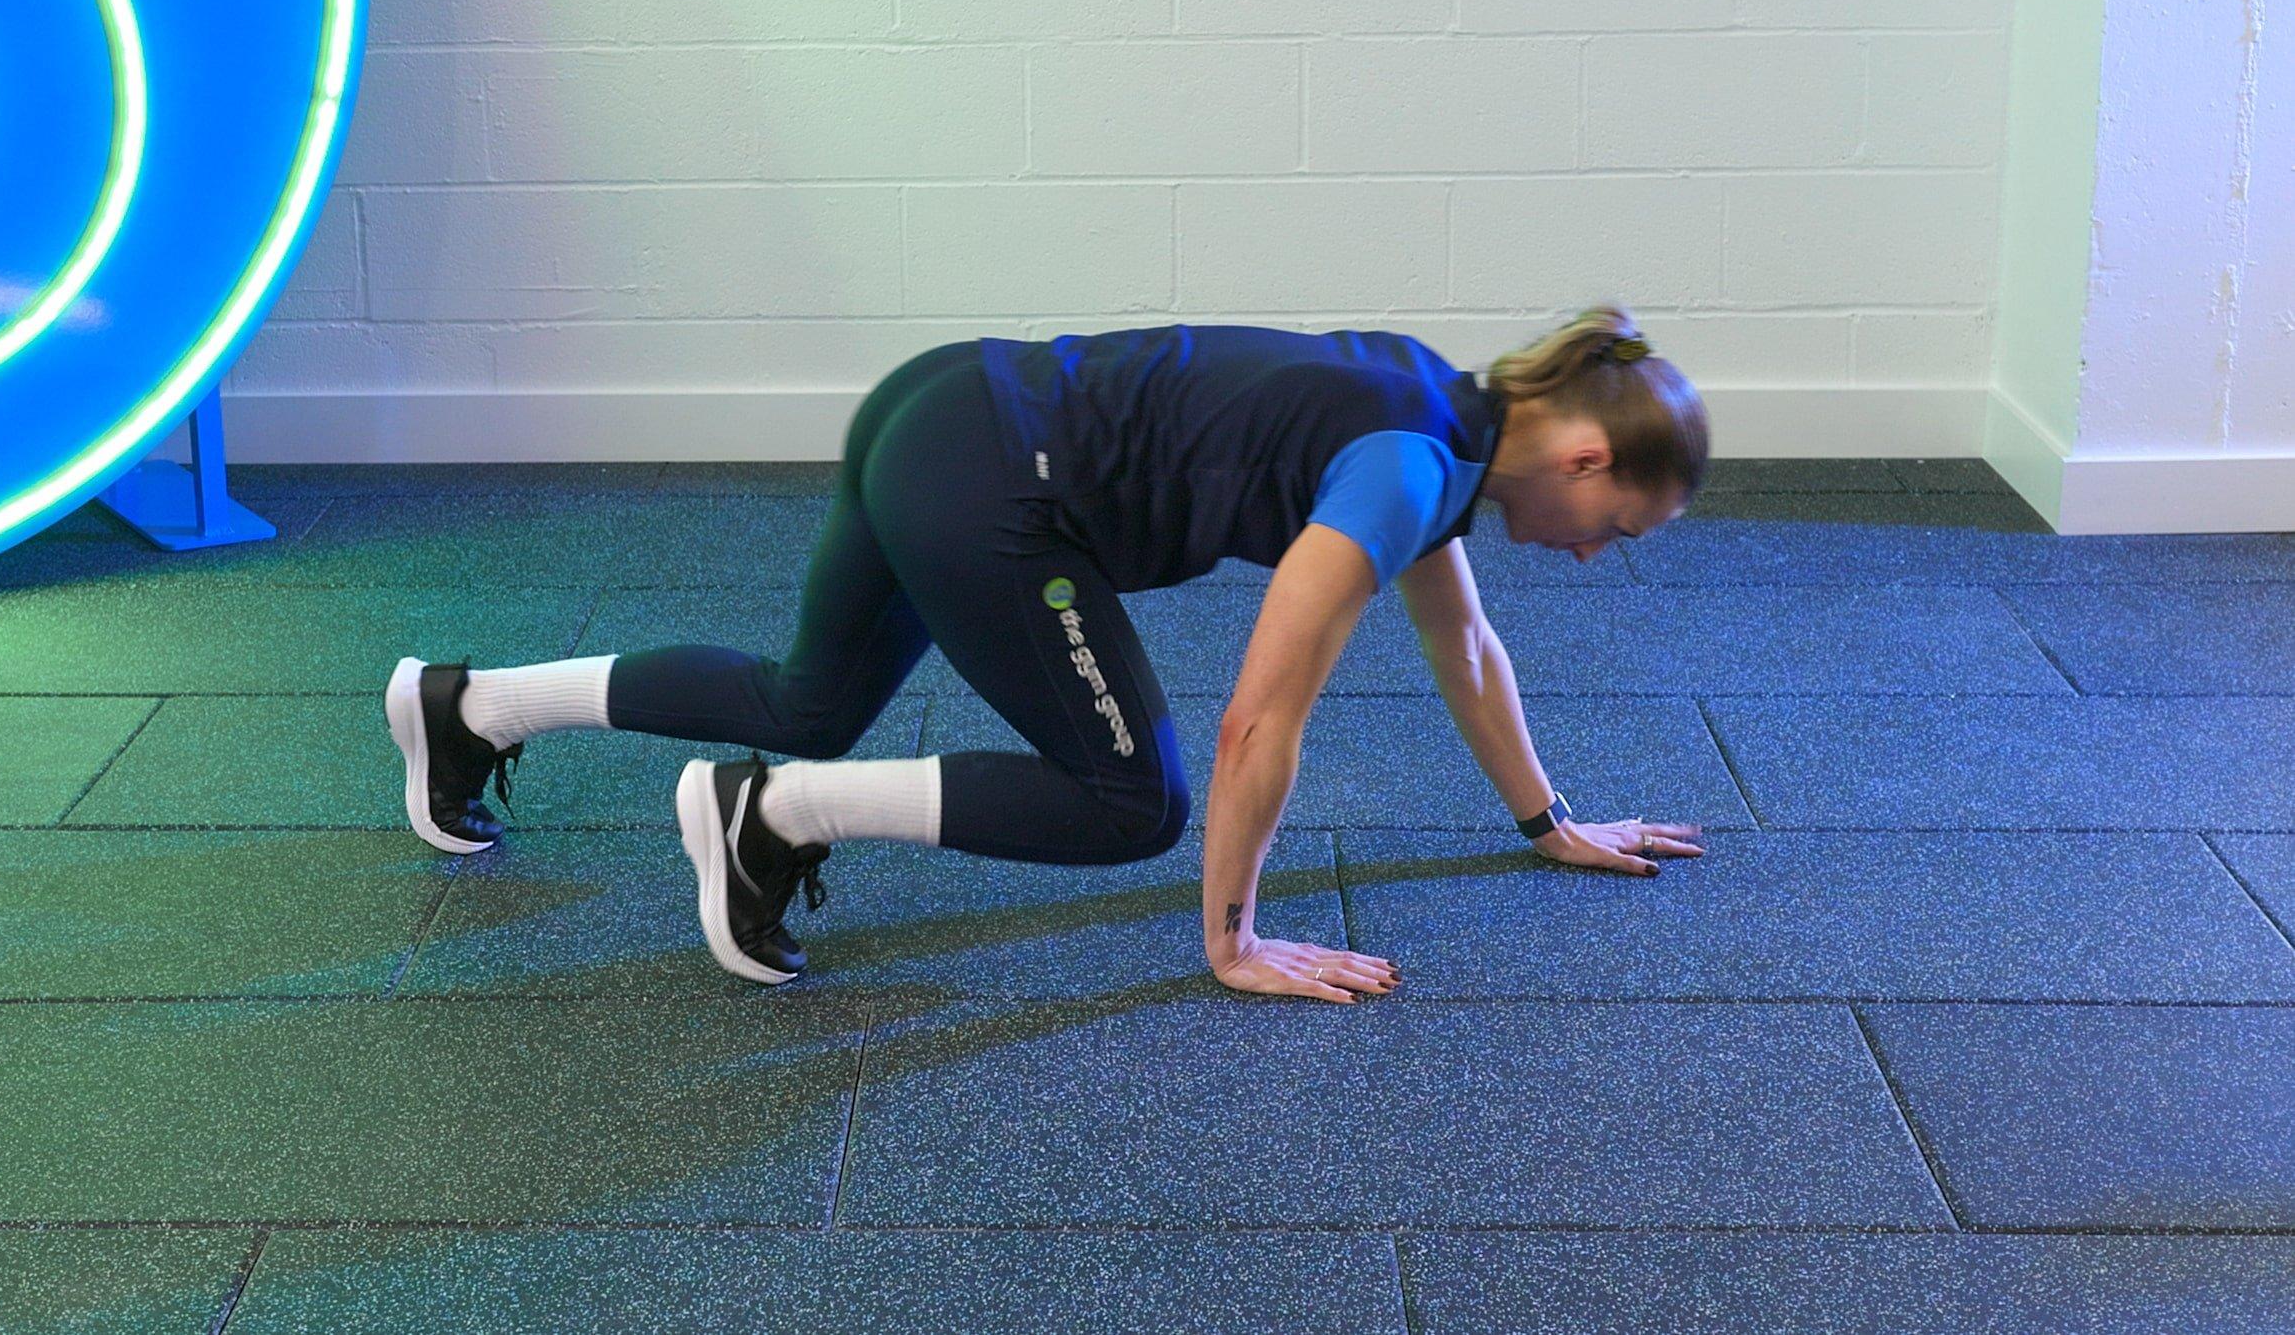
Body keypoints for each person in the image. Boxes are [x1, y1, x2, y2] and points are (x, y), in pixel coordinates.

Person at [385, 305, 1710, 1001]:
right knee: (1133, 798)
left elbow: (1466, 643)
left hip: (942, 402)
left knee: (813, 697)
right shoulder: (1410, 468)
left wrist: (1547, 819)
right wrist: (1236, 939)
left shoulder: (1435, 414)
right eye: (1617, 526)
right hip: (994, 488)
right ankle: (765, 819)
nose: (1595, 552)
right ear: (1585, 459)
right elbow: (1261, 721)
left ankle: (471, 705)